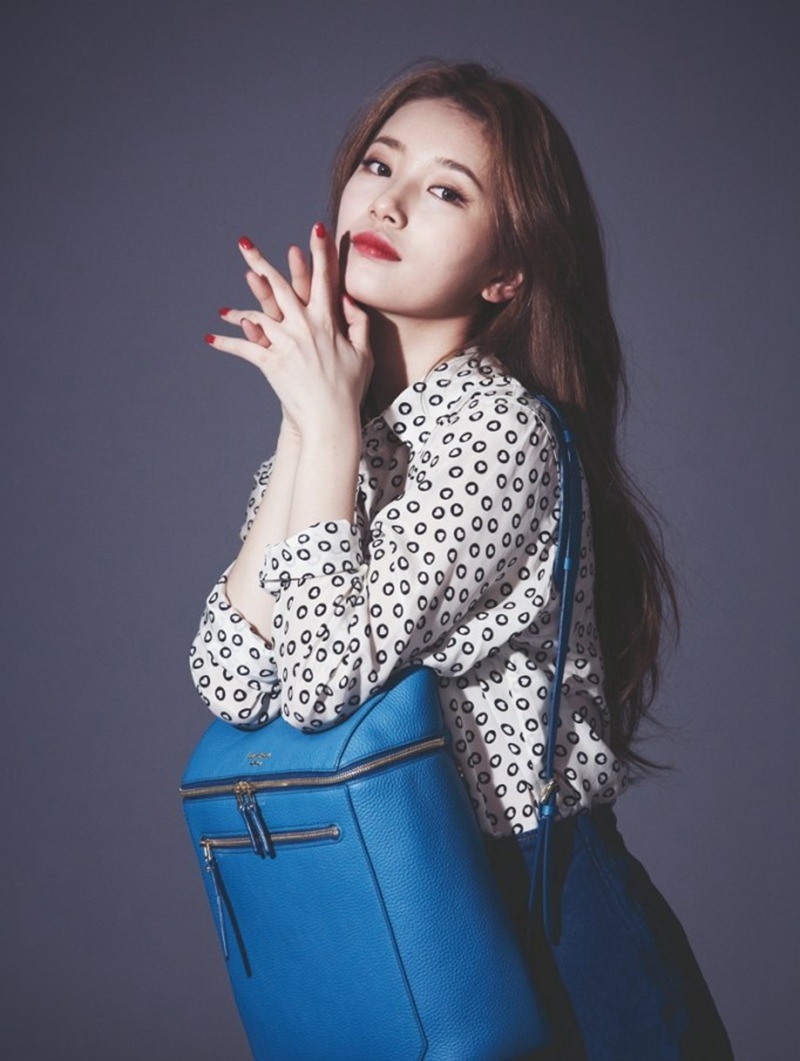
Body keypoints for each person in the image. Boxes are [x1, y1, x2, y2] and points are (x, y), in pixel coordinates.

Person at [190, 61, 733, 1060]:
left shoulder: (497, 431)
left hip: (542, 922)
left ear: (505, 274)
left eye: (445, 190)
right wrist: (308, 420)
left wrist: (322, 425)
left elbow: (317, 686)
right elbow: (229, 675)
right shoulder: (348, 426)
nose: (388, 200)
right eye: (378, 164)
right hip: (407, 906)